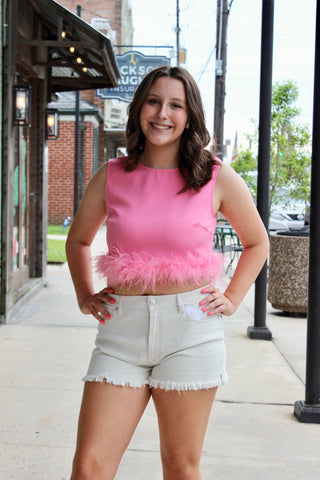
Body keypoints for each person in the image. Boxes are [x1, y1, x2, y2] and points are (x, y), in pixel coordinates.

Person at [66, 66, 269, 480]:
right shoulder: (112, 175)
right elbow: (78, 241)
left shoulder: (214, 176)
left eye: (176, 105)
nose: (163, 114)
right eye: (154, 101)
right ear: (140, 107)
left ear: (190, 116)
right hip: (121, 334)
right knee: (89, 468)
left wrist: (231, 298)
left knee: (180, 467)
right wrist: (85, 295)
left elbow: (258, 242)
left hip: (190, 333)